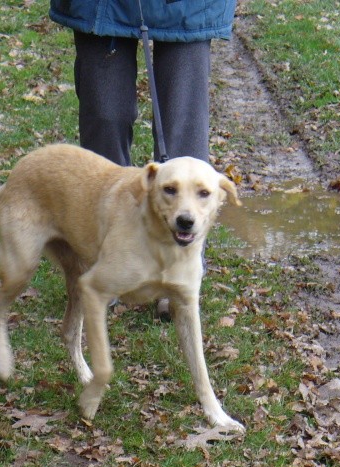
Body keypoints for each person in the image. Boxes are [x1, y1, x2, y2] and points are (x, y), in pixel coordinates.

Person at [49, 0, 237, 318]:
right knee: (104, 117)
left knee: (182, 126)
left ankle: (180, 269)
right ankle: (105, 261)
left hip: (188, 9)